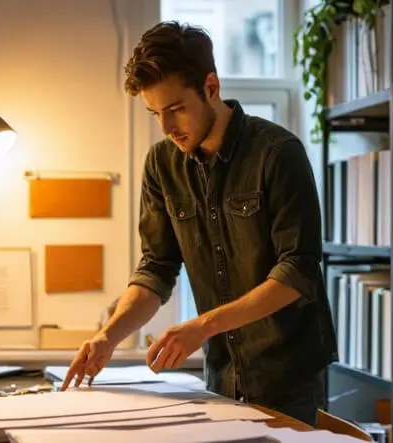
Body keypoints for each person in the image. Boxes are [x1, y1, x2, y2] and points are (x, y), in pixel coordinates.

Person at [61, 21, 336, 426]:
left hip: (289, 377)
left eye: (174, 110)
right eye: (155, 113)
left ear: (211, 86)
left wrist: (202, 326)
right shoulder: (161, 165)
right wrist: (109, 336)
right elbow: (156, 268)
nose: (167, 128)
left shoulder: (279, 154)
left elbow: (298, 272)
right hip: (221, 376)